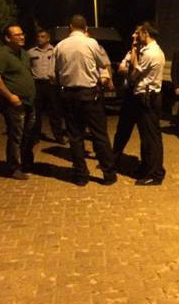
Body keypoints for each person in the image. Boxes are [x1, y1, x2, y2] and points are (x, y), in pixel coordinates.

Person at [54, 15, 116, 187]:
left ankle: (81, 175)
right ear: (86, 28)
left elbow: (53, 75)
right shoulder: (91, 43)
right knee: (99, 135)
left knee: (75, 137)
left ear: (70, 27)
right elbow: (104, 64)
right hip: (90, 95)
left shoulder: (59, 46)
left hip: (68, 95)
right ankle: (108, 175)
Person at [0, 24, 37, 180]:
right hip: (14, 104)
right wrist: (10, 96)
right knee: (16, 136)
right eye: (17, 35)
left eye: (22, 34)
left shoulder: (23, 54)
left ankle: (26, 163)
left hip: (29, 102)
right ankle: (14, 168)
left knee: (28, 135)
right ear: (7, 38)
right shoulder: (3, 55)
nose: (22, 37)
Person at [130, 21, 166, 185]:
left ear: (146, 33)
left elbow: (134, 74)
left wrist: (133, 49)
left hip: (147, 97)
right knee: (148, 136)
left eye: (138, 33)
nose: (136, 35)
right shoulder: (152, 50)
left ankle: (155, 174)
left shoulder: (150, 53)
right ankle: (147, 168)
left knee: (151, 137)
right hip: (150, 96)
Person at [28, 27, 65, 145]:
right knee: (36, 112)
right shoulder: (30, 52)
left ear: (48, 38)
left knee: (55, 111)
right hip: (37, 85)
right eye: (38, 37)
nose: (40, 39)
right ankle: (35, 136)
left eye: (42, 37)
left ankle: (58, 136)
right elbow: (27, 68)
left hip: (51, 85)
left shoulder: (55, 51)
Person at [112, 28, 141, 161]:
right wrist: (129, 69)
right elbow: (121, 69)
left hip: (140, 94)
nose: (133, 35)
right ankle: (115, 155)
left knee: (144, 131)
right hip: (130, 93)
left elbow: (134, 70)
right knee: (123, 128)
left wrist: (130, 70)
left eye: (136, 34)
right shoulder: (130, 53)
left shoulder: (146, 53)